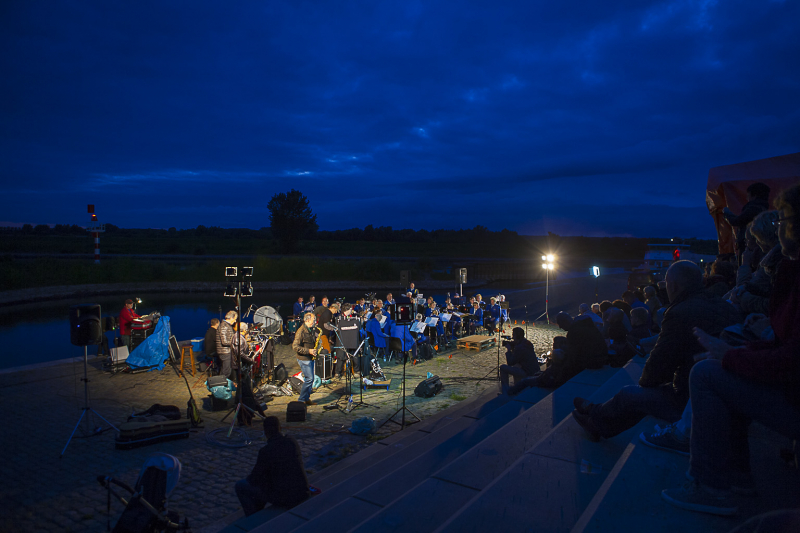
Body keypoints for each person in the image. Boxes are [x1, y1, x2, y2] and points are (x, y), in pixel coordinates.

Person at [661, 183, 800, 516]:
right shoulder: (791, 271)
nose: (779, 226)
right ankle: (738, 477)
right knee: (723, 364)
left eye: (783, 219)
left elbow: (791, 361)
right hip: (791, 385)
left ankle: (710, 485)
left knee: (707, 373)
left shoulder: (790, 272)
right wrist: (738, 352)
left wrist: (730, 355)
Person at [572, 261, 741, 442]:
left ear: (673, 285)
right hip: (722, 395)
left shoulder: (679, 312)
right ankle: (596, 414)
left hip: (695, 399)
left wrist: (646, 383)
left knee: (630, 394)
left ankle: (596, 419)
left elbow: (660, 363)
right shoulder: (724, 306)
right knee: (638, 396)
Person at [235, 416, 310, 516]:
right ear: (280, 428)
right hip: (302, 491)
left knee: (241, 486)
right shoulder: (292, 441)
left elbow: (254, 479)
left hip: (285, 497)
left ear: (265, 432)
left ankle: (253, 517)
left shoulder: (265, 451)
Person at [722, 182, 771, 264]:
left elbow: (737, 221)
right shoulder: (763, 208)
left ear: (754, 195)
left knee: (744, 265)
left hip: (747, 244)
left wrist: (727, 214)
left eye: (748, 195)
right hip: (758, 243)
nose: (747, 198)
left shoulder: (752, 208)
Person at [499, 327, 539, 395]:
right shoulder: (527, 343)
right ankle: (516, 387)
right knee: (516, 366)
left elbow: (510, 362)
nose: (512, 337)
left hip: (527, 372)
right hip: (534, 369)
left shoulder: (520, 347)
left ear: (516, 336)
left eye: (513, 335)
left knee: (503, 368)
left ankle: (505, 391)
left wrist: (509, 350)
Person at [292, 312, 319, 406]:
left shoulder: (310, 329)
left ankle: (307, 398)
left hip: (309, 357)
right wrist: (309, 351)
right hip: (304, 358)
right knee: (309, 379)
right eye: (313, 320)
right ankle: (301, 400)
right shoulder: (301, 331)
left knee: (310, 379)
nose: (315, 322)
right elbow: (295, 347)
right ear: (307, 320)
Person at [216, 311, 238, 380]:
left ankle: (225, 384)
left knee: (228, 370)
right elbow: (224, 342)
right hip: (224, 352)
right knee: (226, 371)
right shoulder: (224, 326)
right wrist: (235, 342)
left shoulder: (227, 325)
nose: (235, 321)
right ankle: (220, 386)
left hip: (227, 351)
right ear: (231, 317)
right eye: (235, 319)